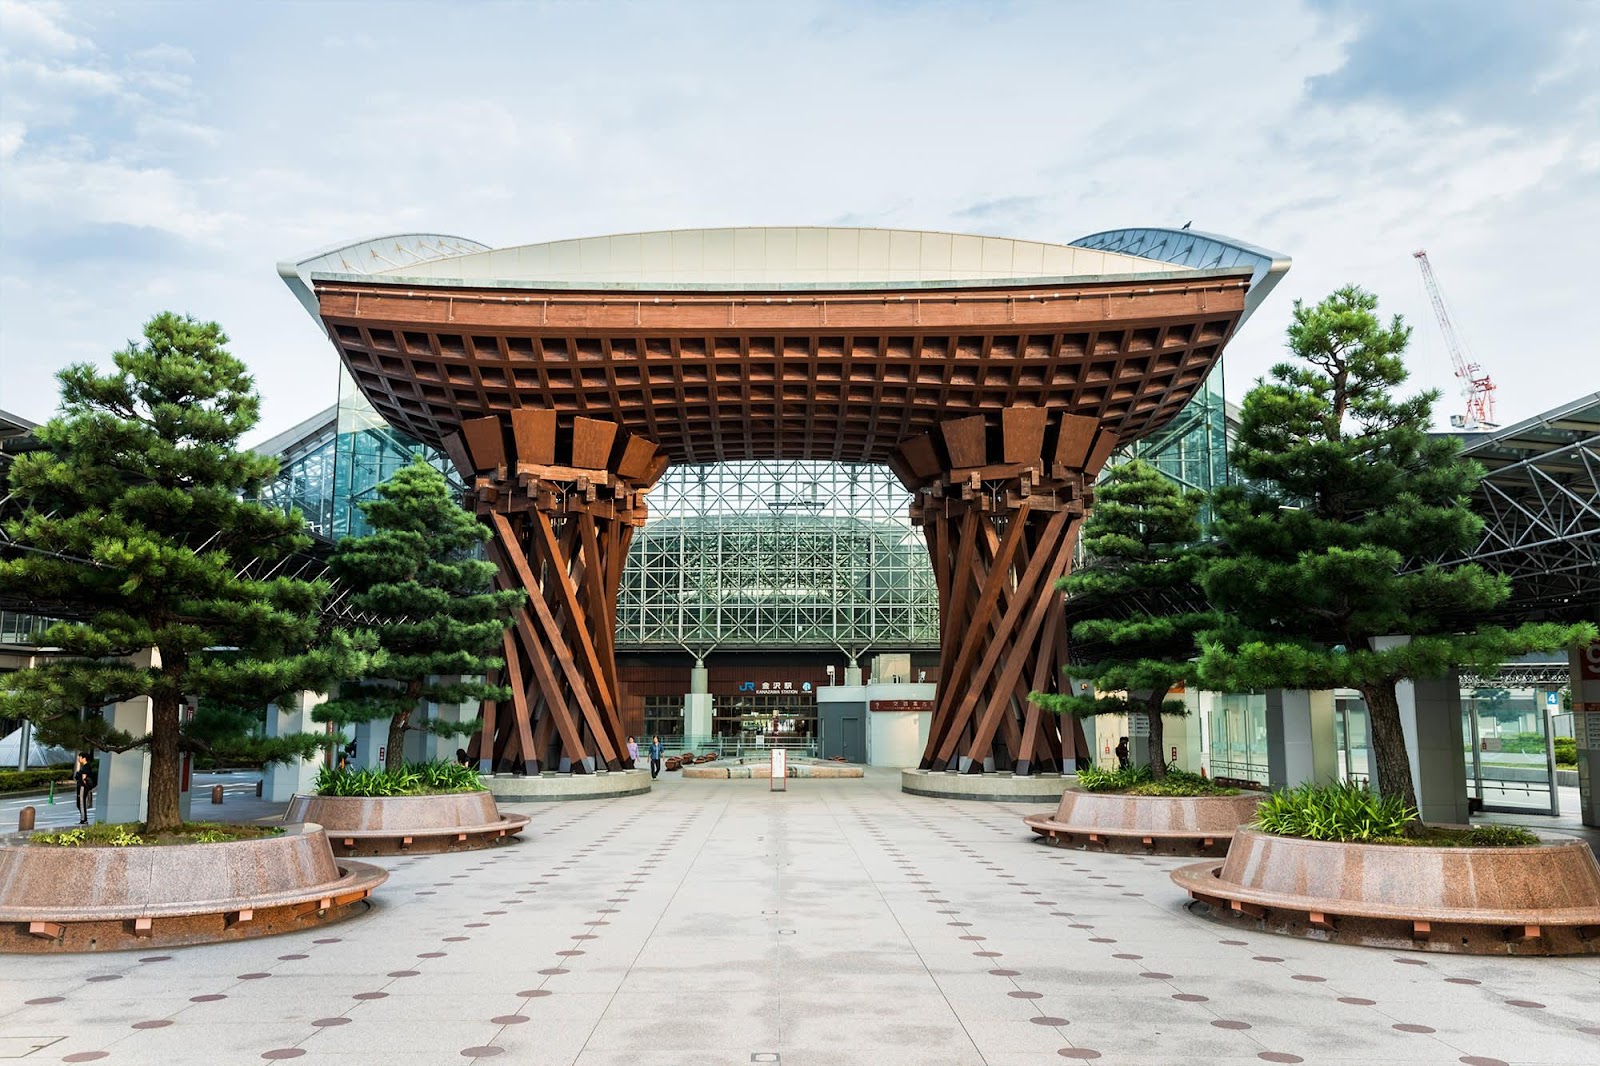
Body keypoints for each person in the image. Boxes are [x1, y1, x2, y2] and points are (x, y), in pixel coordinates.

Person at [72, 751, 96, 825]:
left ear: (83, 758)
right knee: (79, 803)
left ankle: (83, 820)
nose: (79, 759)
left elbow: (84, 778)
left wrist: (86, 787)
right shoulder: (85, 766)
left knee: (81, 803)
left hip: (82, 787)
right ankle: (83, 818)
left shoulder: (86, 767)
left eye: (79, 757)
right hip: (81, 786)